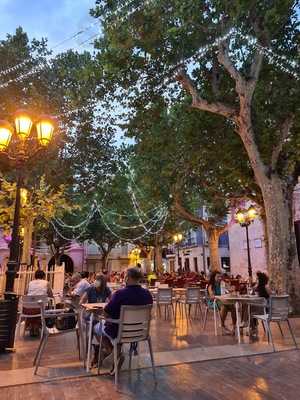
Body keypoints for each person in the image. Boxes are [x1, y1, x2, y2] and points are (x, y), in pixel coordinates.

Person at [93, 267, 153, 372]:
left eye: (125, 275)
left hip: (120, 332)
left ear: (127, 277)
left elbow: (106, 313)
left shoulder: (120, 294)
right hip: (140, 333)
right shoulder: (147, 294)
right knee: (118, 326)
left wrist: (102, 316)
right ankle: (115, 354)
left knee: (96, 327)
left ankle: (113, 352)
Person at [25, 270, 53, 336]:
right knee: (43, 306)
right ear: (43, 276)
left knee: (33, 306)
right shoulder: (46, 283)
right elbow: (51, 295)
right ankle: (37, 327)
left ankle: (32, 327)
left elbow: (25, 293)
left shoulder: (30, 283)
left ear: (35, 276)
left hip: (28, 309)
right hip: (40, 309)